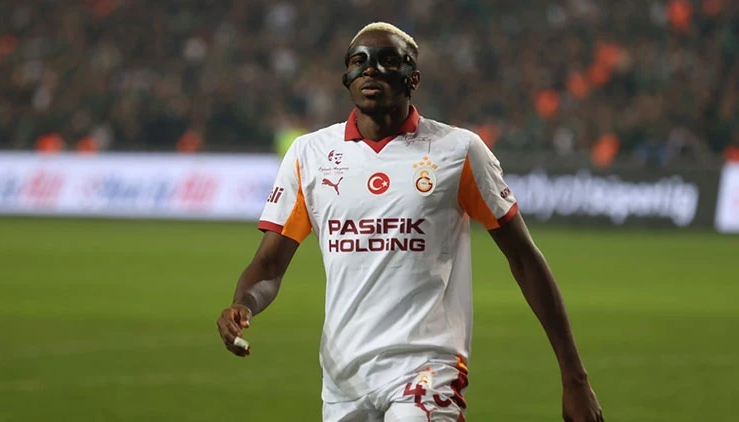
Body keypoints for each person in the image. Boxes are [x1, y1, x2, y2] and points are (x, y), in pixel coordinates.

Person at [217, 22, 604, 422]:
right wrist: (243, 304)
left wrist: (575, 378)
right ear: (346, 76)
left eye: (387, 60)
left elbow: (524, 259)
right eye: (359, 61)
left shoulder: (459, 151)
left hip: (428, 369)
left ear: (412, 78)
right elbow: (269, 265)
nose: (371, 69)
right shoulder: (309, 155)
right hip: (343, 380)